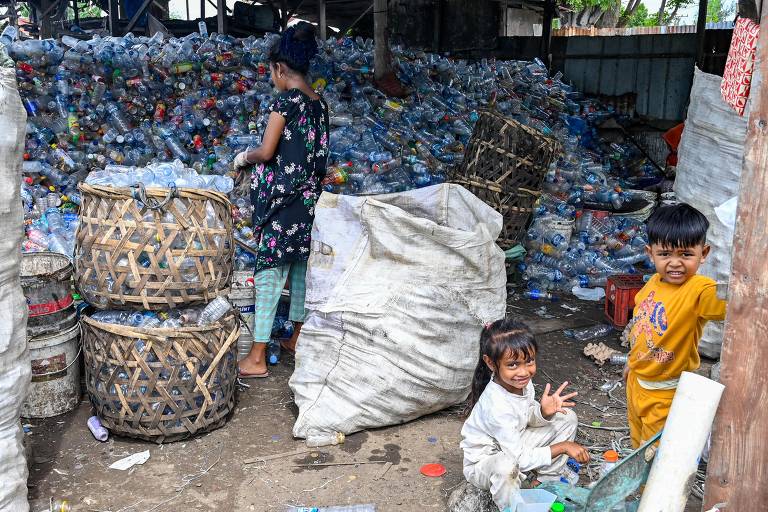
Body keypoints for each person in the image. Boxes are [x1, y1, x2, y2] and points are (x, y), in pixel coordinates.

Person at [233, 22, 329, 378]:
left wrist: (244, 157)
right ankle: (298, 338)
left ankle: (257, 357)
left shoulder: (286, 102)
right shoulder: (320, 104)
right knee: (301, 269)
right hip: (309, 204)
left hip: (283, 204)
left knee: (270, 272)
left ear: (280, 68)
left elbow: (267, 150)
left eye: (271, 72)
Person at [623, 203, 726, 447]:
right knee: (637, 442)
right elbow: (641, 326)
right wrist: (632, 362)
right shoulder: (653, 283)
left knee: (655, 452)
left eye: (686, 254)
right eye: (665, 254)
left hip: (665, 391)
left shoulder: (700, 290)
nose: (675, 263)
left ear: (703, 253)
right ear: (650, 253)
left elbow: (730, 304)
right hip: (636, 382)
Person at [460, 319, 589, 511]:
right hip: (486, 464)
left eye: (529, 361)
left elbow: (525, 417)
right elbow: (518, 458)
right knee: (507, 466)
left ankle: (546, 482)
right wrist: (562, 447)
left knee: (566, 418)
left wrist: (542, 412)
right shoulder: (496, 405)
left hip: (512, 444)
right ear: (491, 363)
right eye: (513, 365)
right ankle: (511, 507)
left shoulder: (522, 384)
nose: (524, 372)